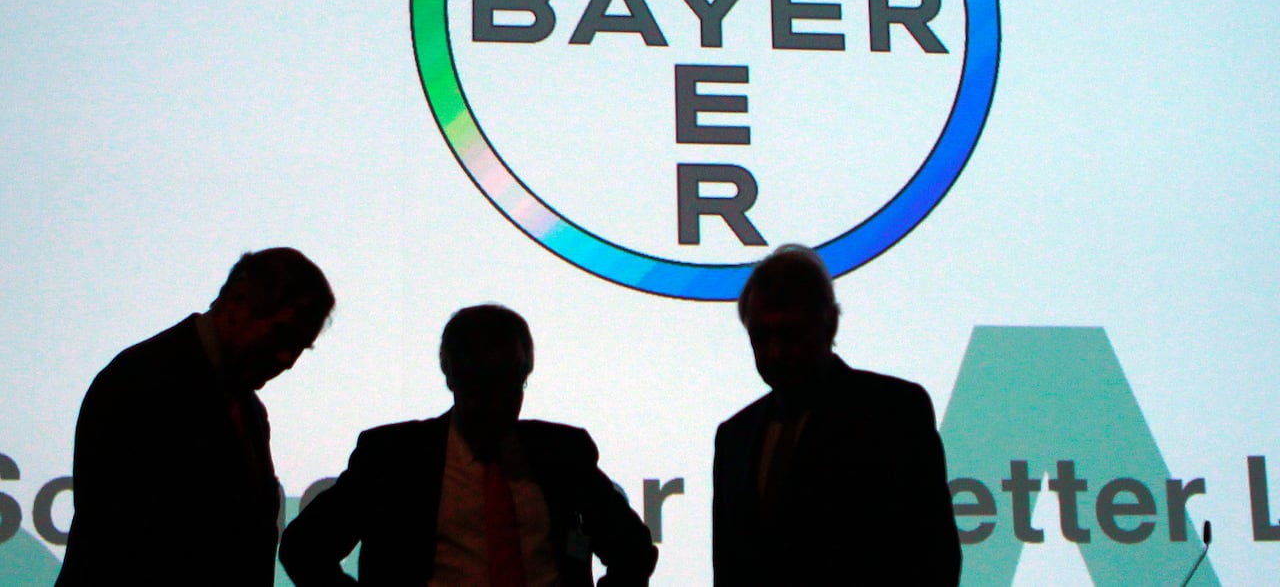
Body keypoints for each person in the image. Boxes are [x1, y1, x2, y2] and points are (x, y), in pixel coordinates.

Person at [280, 303, 658, 586]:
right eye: (482, 382)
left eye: (509, 382)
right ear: (452, 376)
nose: (496, 401)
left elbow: (633, 551)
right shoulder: (394, 457)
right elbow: (304, 549)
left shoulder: (562, 453)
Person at [56, 247, 335, 587]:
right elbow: (126, 542)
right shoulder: (142, 381)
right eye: (282, 335)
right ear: (237, 304)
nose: (287, 359)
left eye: (300, 347)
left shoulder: (249, 410)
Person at [713, 245, 961, 585]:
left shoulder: (893, 413)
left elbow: (933, 555)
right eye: (761, 336)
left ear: (829, 324)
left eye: (789, 334)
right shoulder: (734, 438)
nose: (775, 351)